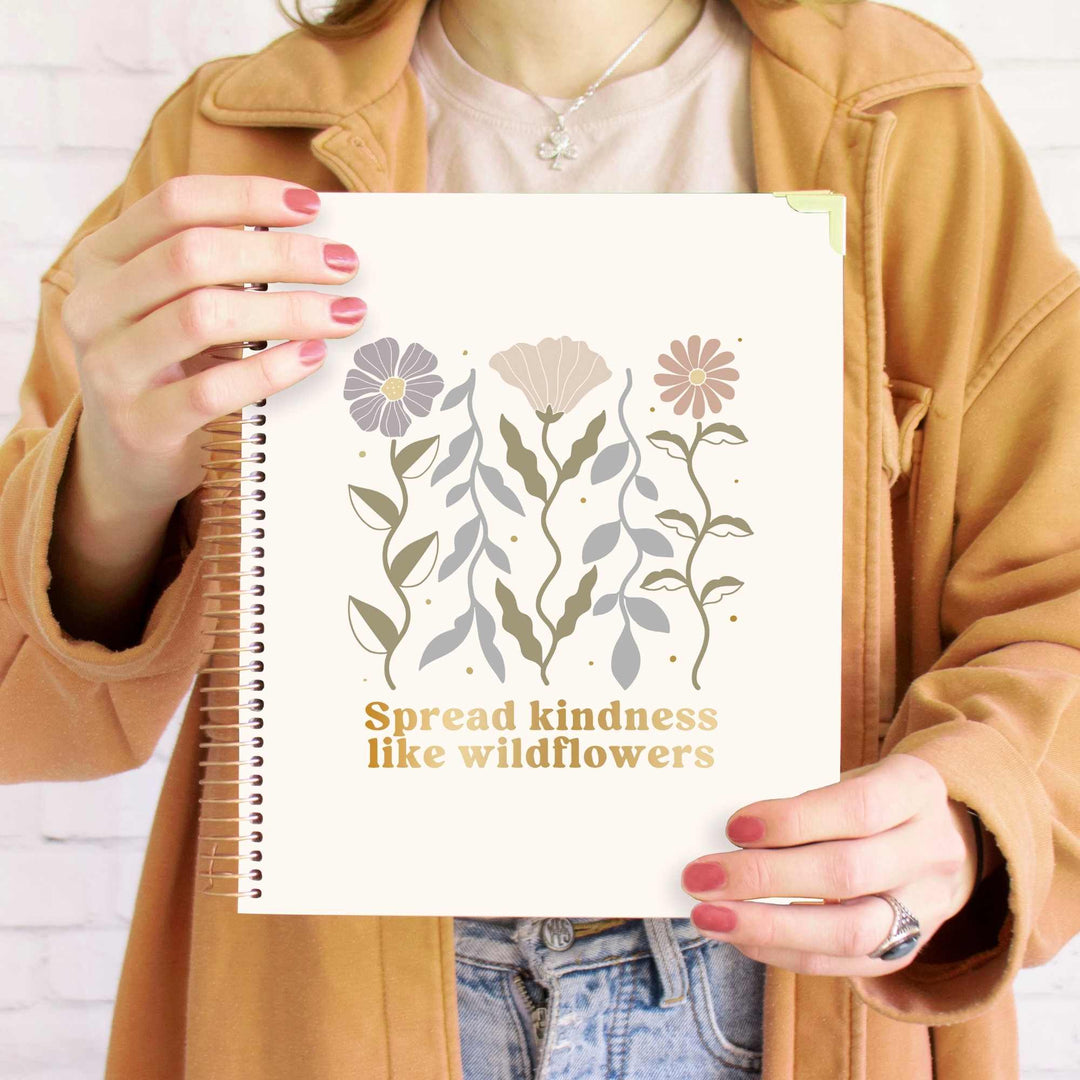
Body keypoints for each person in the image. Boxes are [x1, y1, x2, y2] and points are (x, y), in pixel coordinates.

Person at [0, 0, 1077, 1077]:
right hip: (336, 1005)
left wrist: (968, 815)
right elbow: (32, 699)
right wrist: (118, 471)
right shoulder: (235, 139)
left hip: (775, 991)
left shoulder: (905, 127)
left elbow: (1057, 604)